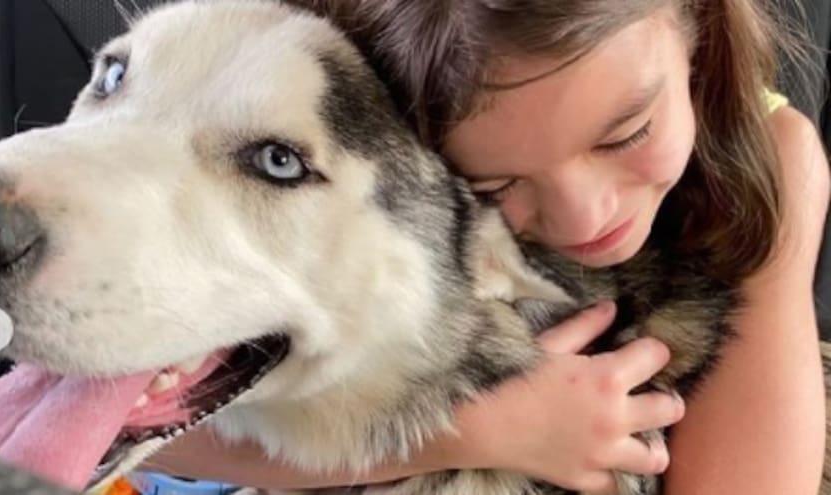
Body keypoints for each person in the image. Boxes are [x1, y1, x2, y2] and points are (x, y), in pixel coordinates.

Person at [146, 1, 829, 493]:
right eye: (493, 182)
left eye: (626, 134)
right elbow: (144, 428)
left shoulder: (775, 157)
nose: (583, 217)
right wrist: (475, 429)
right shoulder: (319, 110)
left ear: (697, 26)